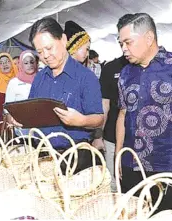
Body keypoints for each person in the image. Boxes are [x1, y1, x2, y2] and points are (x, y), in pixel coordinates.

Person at [116, 13, 172, 212]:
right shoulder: (125, 73)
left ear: (149, 38)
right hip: (131, 165)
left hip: (170, 166)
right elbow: (123, 115)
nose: (124, 48)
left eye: (128, 42)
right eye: (120, 43)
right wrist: (118, 156)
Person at [24, 17, 103, 171]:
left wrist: (80, 120)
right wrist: (21, 117)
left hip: (76, 158)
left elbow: (98, 119)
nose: (45, 55)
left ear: (64, 40)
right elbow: (33, 111)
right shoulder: (40, 77)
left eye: (49, 48)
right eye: (40, 52)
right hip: (43, 156)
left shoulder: (86, 77)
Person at [92, 55, 129, 192]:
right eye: (122, 42)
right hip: (111, 137)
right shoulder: (110, 68)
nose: (125, 47)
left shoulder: (150, 67)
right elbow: (104, 105)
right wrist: (98, 135)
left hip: (139, 142)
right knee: (112, 184)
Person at [5, 50, 38, 136]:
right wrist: (11, 125)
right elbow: (7, 107)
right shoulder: (14, 82)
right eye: (26, 63)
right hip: (21, 126)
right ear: (21, 65)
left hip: (40, 125)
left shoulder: (41, 79)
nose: (29, 65)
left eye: (32, 62)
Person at [0, 53, 18, 119]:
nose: (5, 64)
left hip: (19, 119)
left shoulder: (20, 79)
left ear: (12, 63)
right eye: (1, 63)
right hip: (1, 120)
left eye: (7, 61)